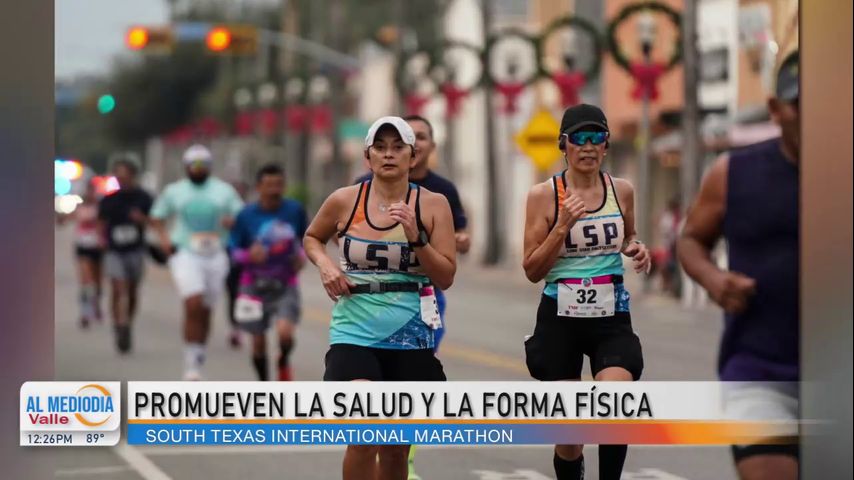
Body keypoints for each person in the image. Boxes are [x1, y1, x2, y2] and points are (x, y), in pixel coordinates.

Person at [304, 116, 456, 480]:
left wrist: (416, 237)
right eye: (380, 148)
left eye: (397, 147)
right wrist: (326, 266)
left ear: (413, 156)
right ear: (367, 157)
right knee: (364, 432)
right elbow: (312, 238)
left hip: (411, 333)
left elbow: (446, 276)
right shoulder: (345, 200)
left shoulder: (433, 205)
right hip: (353, 332)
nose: (389, 155)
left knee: (395, 446)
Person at [677, 51, 800, 480]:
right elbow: (691, 239)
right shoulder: (733, 173)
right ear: (775, 109)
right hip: (760, 367)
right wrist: (713, 279)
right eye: (801, 104)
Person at [521, 104, 651, 480]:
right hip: (559, 316)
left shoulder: (621, 190)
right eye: (580, 138)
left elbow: (628, 236)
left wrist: (635, 248)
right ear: (564, 144)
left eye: (597, 138)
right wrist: (561, 226)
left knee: (616, 405)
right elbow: (531, 269)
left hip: (610, 314)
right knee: (571, 433)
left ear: (607, 145)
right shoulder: (543, 196)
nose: (589, 146)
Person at [355, 114, 470, 352]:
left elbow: (460, 237)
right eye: (383, 146)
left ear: (423, 149)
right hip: (371, 295)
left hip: (424, 290)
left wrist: (455, 240)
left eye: (421, 137)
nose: (416, 142)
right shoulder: (361, 187)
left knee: (419, 359)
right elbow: (337, 231)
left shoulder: (442, 192)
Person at [150, 144, 244, 380]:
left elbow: (241, 216)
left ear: (210, 167)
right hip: (185, 252)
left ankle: (199, 349)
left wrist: (232, 223)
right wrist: (164, 240)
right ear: (186, 167)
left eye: (203, 165)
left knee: (206, 308)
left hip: (215, 253)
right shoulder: (175, 191)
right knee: (193, 302)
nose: (198, 169)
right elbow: (157, 217)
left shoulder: (223, 191)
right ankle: (191, 362)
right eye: (194, 165)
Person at [229, 164, 308, 381]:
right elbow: (233, 250)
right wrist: (248, 256)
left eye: (279, 185)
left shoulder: (294, 210)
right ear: (258, 187)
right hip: (252, 284)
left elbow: (308, 239)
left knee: (285, 333)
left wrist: (301, 256)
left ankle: (283, 359)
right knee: (258, 342)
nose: (274, 190)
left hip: (285, 282)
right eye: (269, 185)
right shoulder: (246, 215)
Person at [98, 153, 153, 353]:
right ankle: (118, 324)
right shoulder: (109, 200)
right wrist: (101, 239)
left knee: (131, 290)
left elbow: (154, 221)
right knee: (118, 287)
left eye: (126, 174)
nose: (122, 178)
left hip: (135, 250)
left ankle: (127, 322)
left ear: (133, 174)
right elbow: (101, 223)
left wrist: (142, 220)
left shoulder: (144, 197)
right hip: (115, 250)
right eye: (118, 175)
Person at [69, 178, 105, 328]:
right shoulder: (79, 206)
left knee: (97, 282)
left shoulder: (100, 206)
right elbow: (67, 218)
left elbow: (103, 224)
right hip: (82, 245)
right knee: (85, 280)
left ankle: (96, 305)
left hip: (97, 246)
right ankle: (85, 313)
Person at [225, 179, 252, 349]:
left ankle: (244, 326)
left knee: (247, 294)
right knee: (234, 293)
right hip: (232, 256)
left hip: (251, 260)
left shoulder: (250, 210)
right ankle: (236, 328)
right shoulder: (223, 206)